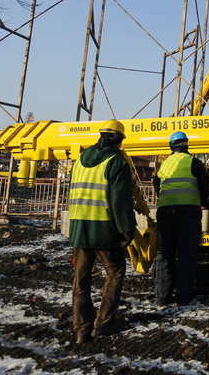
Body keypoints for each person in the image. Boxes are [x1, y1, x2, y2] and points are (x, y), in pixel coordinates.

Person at [68, 119, 137, 344]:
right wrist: (127, 230)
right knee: (115, 272)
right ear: (119, 140)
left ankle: (81, 328)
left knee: (81, 279)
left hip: (80, 227)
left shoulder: (80, 159)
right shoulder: (116, 161)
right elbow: (120, 201)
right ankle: (104, 323)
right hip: (104, 228)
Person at [153, 130, 209, 306]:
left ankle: (162, 298)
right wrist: (199, 201)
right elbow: (205, 187)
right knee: (186, 256)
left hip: (165, 214)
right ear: (186, 145)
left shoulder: (164, 165)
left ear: (171, 146)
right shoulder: (194, 162)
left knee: (165, 255)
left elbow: (157, 187)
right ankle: (183, 298)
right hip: (188, 214)